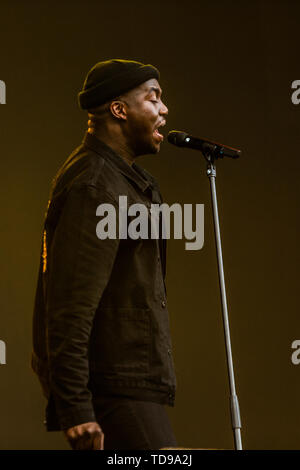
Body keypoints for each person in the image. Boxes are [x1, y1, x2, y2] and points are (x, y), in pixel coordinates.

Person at [31, 59, 177, 450]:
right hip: (112, 389)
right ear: (119, 109)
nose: (164, 110)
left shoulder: (126, 183)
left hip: (130, 383)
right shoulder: (95, 185)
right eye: (154, 99)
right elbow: (68, 307)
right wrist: (76, 408)